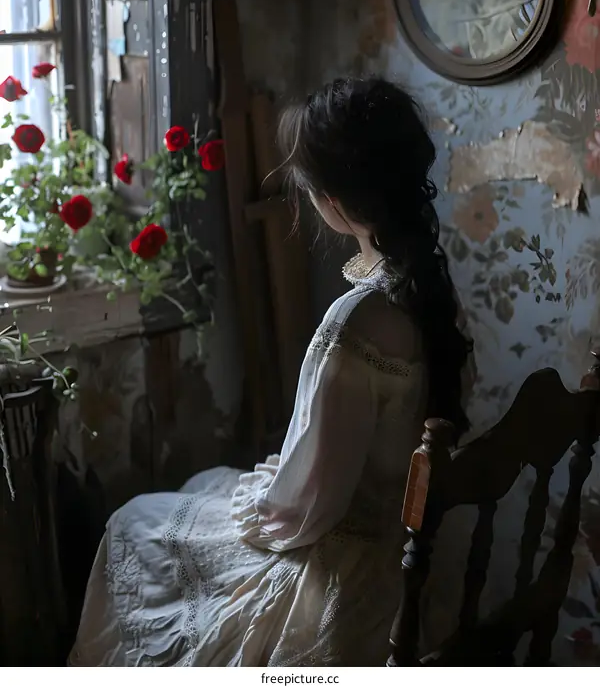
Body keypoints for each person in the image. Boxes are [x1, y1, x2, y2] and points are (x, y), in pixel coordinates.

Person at [69, 77, 476, 667]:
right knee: (199, 488)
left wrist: (257, 503)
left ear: (333, 199)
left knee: (132, 522)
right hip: (401, 546)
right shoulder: (433, 290)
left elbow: (305, 510)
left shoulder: (357, 322)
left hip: (346, 570)